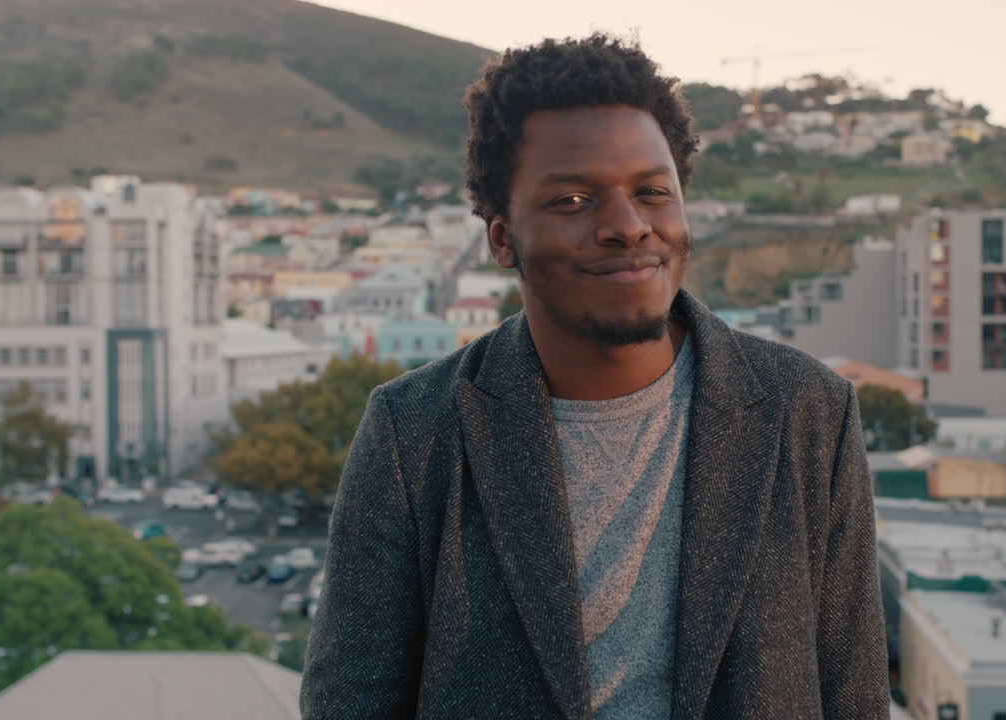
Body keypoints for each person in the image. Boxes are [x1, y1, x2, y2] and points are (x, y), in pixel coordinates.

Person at [301, 33, 888, 720]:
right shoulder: (415, 434)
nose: (628, 226)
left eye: (652, 193)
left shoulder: (809, 413)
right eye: (574, 201)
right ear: (501, 238)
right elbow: (351, 705)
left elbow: (854, 695)